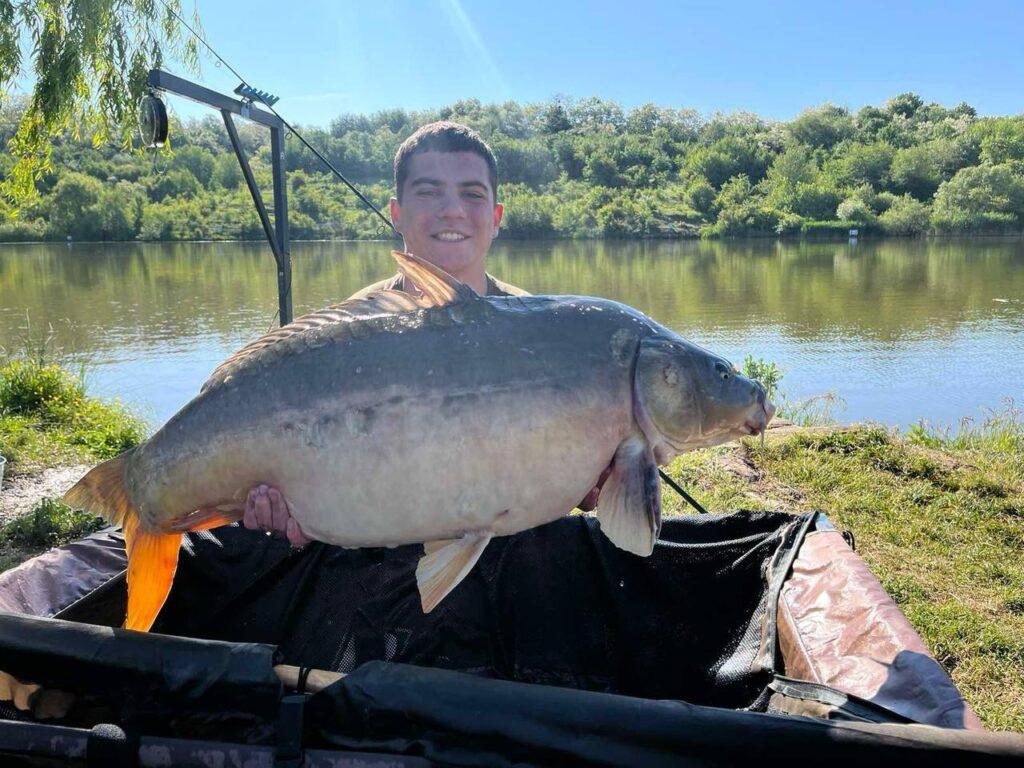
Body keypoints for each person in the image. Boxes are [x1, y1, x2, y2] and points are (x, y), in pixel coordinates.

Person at [242, 121, 602, 546]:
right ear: (397, 213)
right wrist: (294, 508)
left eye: (472, 194)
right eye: (429, 192)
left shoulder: (537, 328)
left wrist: (593, 471)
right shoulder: (354, 330)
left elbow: (571, 475)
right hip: (378, 548)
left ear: (496, 217)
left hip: (508, 548)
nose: (452, 210)